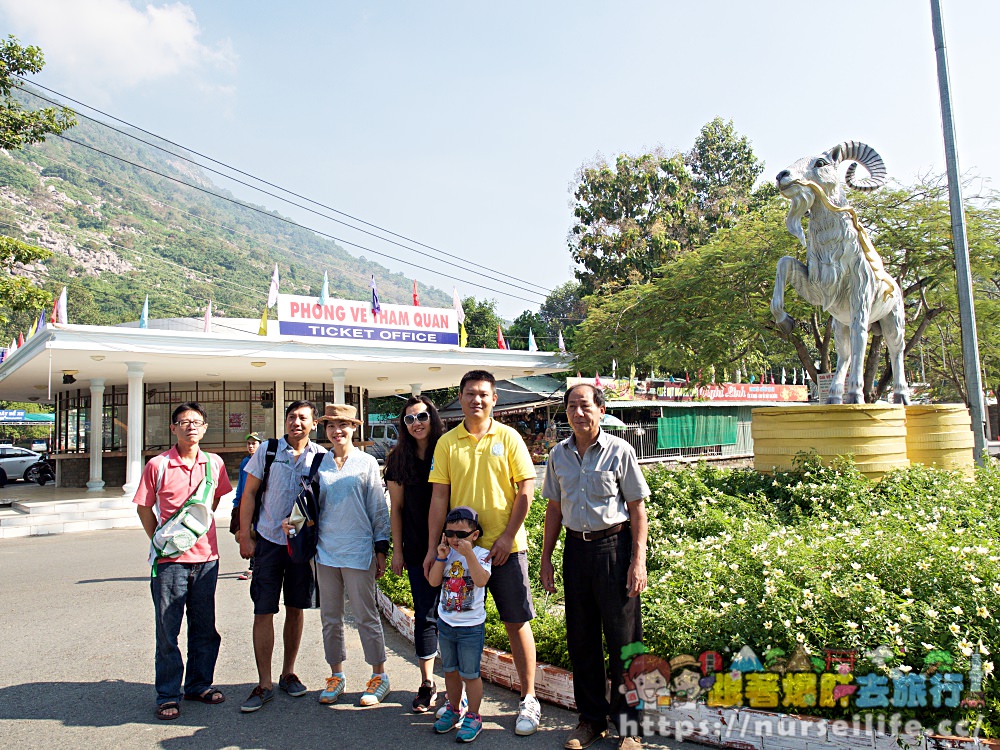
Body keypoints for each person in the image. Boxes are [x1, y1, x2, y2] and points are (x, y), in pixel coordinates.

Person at [424, 369, 541, 736]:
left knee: (516, 621)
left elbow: (526, 490)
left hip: (507, 550)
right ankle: (455, 702)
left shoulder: (509, 438)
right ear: (459, 398)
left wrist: (507, 536)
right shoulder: (446, 442)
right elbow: (439, 497)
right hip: (459, 553)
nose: (477, 399)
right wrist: (434, 548)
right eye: (470, 393)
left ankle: (528, 698)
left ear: (494, 399)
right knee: (456, 623)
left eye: (484, 394)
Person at [540, 383, 650, 750]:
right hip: (576, 551)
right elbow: (553, 509)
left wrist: (638, 561)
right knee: (581, 640)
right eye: (571, 406)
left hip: (614, 550)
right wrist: (546, 559)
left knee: (624, 641)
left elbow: (637, 509)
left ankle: (629, 727)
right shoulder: (558, 454)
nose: (578, 413)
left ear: (600, 410)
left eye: (585, 405)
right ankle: (590, 720)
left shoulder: (620, 451)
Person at [134, 401, 233, 721]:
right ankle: (167, 694)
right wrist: (161, 542)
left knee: (205, 628)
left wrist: (193, 530)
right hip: (168, 563)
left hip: (206, 559)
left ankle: (198, 684)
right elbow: (143, 508)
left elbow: (215, 499)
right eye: (184, 421)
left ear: (205, 428)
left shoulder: (214, 464)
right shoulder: (158, 465)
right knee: (168, 630)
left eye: (197, 422)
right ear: (173, 428)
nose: (191, 426)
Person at [296, 403, 392, 707]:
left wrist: (381, 548)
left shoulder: (366, 463)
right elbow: (308, 504)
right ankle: (336, 675)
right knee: (330, 618)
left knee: (366, 616)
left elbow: (378, 509)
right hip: (325, 552)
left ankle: (379, 676)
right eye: (332, 426)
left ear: (354, 428)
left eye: (344, 425)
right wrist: (292, 522)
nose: (338, 431)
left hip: (359, 550)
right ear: (325, 430)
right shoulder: (317, 464)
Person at [238, 401, 326, 713]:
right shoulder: (268, 451)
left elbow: (322, 506)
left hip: (300, 548)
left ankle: (288, 673)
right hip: (268, 542)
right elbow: (249, 493)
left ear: (314, 423)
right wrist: (245, 534)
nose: (296, 422)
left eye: (303, 418)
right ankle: (263, 683)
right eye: (291, 417)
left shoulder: (322, 458)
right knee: (263, 610)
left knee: (295, 608)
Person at [385, 395, 447, 713]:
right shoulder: (398, 459)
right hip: (415, 547)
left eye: (421, 417)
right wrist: (398, 551)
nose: (416, 424)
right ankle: (427, 683)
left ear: (432, 417)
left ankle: (460, 682)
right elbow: (396, 509)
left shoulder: (449, 449)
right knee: (425, 614)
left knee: (457, 615)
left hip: (453, 548)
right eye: (409, 420)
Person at [427, 506, 492, 743]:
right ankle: (454, 708)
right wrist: (441, 556)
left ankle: (474, 716)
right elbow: (434, 581)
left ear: (474, 535)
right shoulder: (446, 554)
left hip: (471, 627)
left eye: (461, 535)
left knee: (470, 673)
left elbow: (481, 580)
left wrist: (469, 555)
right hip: (446, 624)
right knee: (450, 671)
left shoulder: (482, 554)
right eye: (450, 534)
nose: (455, 539)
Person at [234, 432, 263, 580]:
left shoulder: (264, 461)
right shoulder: (245, 462)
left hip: (258, 504)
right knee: (245, 534)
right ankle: (254, 564)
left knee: (255, 533)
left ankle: (254, 567)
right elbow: (241, 484)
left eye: (254, 443)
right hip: (244, 504)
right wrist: (236, 502)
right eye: (249, 444)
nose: (251, 446)